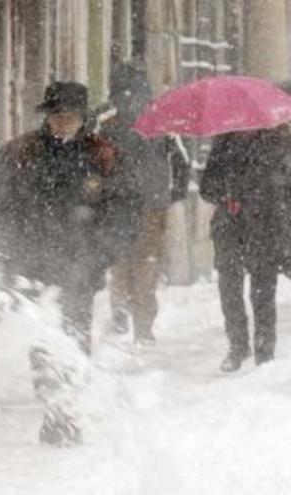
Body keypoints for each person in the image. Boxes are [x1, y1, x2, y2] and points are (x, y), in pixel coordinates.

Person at [0, 81, 141, 353]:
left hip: (82, 259)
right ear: (47, 117)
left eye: (71, 116)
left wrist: (102, 251)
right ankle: (47, 384)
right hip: (31, 260)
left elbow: (125, 209)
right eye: (57, 116)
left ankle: (74, 383)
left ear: (82, 118)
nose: (63, 122)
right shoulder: (21, 152)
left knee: (76, 328)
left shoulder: (103, 155)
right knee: (41, 332)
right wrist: (9, 247)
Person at [200, 126, 291, 372]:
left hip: (265, 225)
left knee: (263, 289)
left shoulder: (279, 142)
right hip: (229, 225)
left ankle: (264, 349)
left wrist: (284, 206)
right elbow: (207, 187)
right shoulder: (223, 143)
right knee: (229, 286)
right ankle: (237, 345)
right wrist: (225, 193)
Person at [103, 63, 190, 345]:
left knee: (120, 259)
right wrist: (173, 192)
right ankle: (142, 326)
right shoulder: (160, 127)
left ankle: (120, 305)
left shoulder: (108, 128)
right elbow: (181, 163)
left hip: (117, 205)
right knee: (146, 263)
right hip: (151, 205)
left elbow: (94, 167)